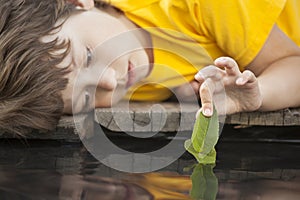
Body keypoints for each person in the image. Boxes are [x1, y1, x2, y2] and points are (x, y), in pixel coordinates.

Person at [1, 0, 300, 135]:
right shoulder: (127, 78)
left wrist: (260, 93)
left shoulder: (195, 4)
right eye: (86, 97)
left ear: (78, 3)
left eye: (89, 56)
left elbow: (294, 65)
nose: (109, 82)